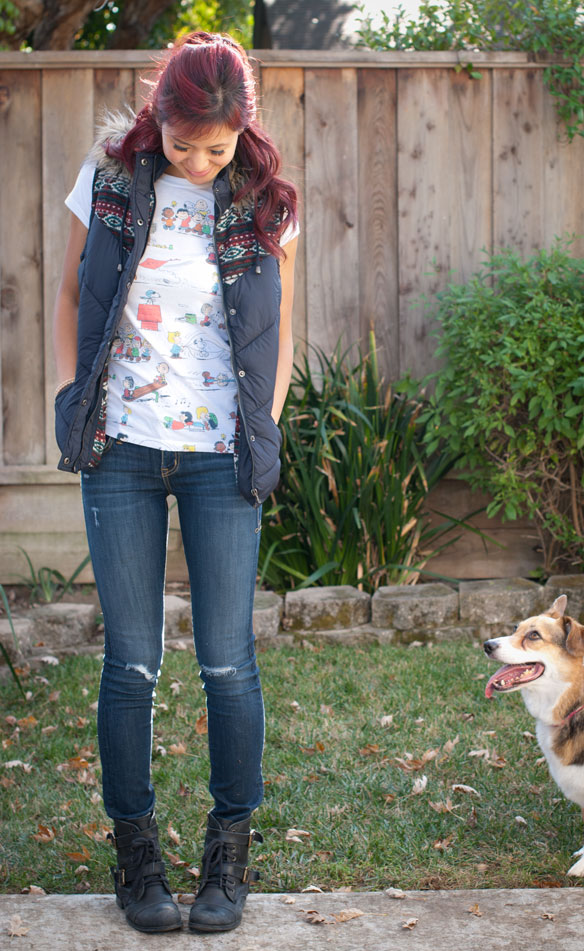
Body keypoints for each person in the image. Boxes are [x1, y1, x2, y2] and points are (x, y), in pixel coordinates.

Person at [52, 31, 298, 936]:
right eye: (182, 142)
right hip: (121, 448)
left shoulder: (263, 200)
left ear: (243, 132)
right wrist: (74, 396)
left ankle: (227, 854)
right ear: (157, 115)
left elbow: (278, 326)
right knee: (132, 663)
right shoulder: (111, 182)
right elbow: (74, 290)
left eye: (217, 147)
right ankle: (138, 855)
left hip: (219, 457)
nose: (197, 161)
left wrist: (263, 427)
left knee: (228, 661)